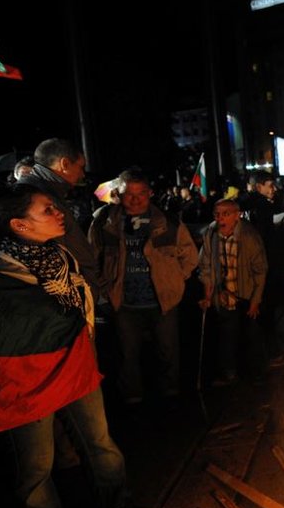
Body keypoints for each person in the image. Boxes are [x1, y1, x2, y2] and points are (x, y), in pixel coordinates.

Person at [0, 185, 157, 508]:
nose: (59, 214)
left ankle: (116, 504)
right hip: (26, 382)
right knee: (36, 465)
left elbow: (77, 302)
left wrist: (79, 336)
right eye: (47, 210)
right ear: (19, 225)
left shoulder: (60, 254)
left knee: (100, 441)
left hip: (74, 366)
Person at [89, 169, 199, 404]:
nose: (136, 199)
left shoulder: (168, 222)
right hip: (123, 302)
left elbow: (189, 256)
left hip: (163, 300)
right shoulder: (103, 224)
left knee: (168, 351)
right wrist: (105, 288)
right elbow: (91, 260)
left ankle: (170, 395)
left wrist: (174, 279)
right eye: (129, 194)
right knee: (127, 354)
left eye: (141, 193)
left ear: (149, 193)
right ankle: (132, 397)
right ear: (118, 194)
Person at [18, 138, 101, 299]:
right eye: (81, 167)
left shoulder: (45, 191)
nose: (82, 174)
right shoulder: (37, 197)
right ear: (64, 164)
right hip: (65, 296)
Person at [198, 199, 268, 384]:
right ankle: (230, 373)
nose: (220, 218)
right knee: (226, 335)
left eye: (225, 214)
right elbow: (205, 267)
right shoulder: (210, 235)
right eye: (217, 214)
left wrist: (255, 301)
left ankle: (256, 375)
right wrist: (207, 296)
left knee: (250, 334)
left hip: (245, 293)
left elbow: (260, 271)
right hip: (223, 295)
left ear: (237, 215)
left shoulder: (248, 236)